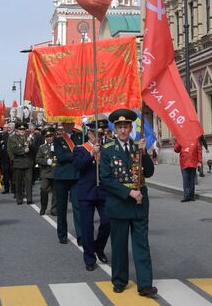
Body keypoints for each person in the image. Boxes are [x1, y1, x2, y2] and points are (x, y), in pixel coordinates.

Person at [100, 109, 157, 298]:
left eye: (126, 127)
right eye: (120, 127)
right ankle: (119, 280)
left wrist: (145, 153)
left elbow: (148, 173)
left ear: (131, 127)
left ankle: (145, 284)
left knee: (141, 244)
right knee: (119, 245)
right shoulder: (107, 149)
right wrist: (128, 192)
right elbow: (106, 179)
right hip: (119, 203)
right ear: (115, 129)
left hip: (140, 203)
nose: (123, 130)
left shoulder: (137, 146)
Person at [73, 118, 110, 271]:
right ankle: (89, 258)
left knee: (108, 222)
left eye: (101, 134)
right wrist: (91, 153)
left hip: (103, 192)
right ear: (89, 134)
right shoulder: (80, 149)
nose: (99, 137)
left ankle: (98, 247)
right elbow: (78, 166)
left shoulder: (107, 149)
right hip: (86, 192)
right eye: (96, 134)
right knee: (87, 227)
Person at [54, 122, 82, 245]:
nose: (69, 125)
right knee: (62, 208)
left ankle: (81, 235)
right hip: (62, 178)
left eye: (71, 123)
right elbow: (61, 157)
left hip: (76, 177)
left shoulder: (80, 137)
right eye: (66, 123)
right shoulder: (58, 139)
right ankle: (62, 234)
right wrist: (76, 154)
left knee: (78, 207)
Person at [9, 121, 34, 205]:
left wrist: (31, 143)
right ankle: (19, 198)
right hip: (18, 162)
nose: (22, 130)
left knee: (29, 181)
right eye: (20, 129)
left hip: (28, 162)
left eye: (23, 129)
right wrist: (23, 150)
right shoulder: (12, 138)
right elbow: (13, 150)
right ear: (17, 130)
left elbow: (34, 149)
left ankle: (29, 198)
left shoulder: (29, 137)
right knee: (18, 182)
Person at [36, 127, 57, 216]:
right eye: (47, 136)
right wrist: (46, 162)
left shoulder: (59, 145)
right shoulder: (42, 147)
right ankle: (43, 207)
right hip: (46, 172)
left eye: (51, 136)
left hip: (56, 172)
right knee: (43, 189)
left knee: (56, 192)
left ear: (54, 136)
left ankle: (54, 209)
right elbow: (37, 159)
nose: (49, 138)